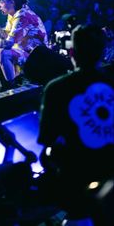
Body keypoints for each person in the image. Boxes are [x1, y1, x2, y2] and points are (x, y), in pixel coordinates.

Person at [36, 23, 114, 224]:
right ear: (102, 50)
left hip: (77, 182)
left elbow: (48, 140)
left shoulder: (57, 89)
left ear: (71, 51)